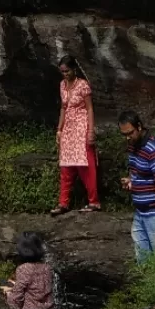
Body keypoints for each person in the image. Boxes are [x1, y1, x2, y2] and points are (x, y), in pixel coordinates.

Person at [118, 110, 155, 258]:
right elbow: (137, 171)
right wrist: (131, 181)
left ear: (139, 127)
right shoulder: (133, 145)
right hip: (140, 212)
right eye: (124, 134)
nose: (127, 138)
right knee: (142, 259)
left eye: (130, 133)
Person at [53, 53, 99, 214]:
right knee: (66, 166)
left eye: (67, 71)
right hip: (68, 129)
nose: (65, 74)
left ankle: (94, 201)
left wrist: (90, 131)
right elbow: (63, 108)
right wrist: (59, 129)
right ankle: (63, 203)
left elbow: (90, 108)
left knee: (85, 165)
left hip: (81, 126)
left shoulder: (83, 85)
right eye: (62, 72)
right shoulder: (62, 85)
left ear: (74, 69)